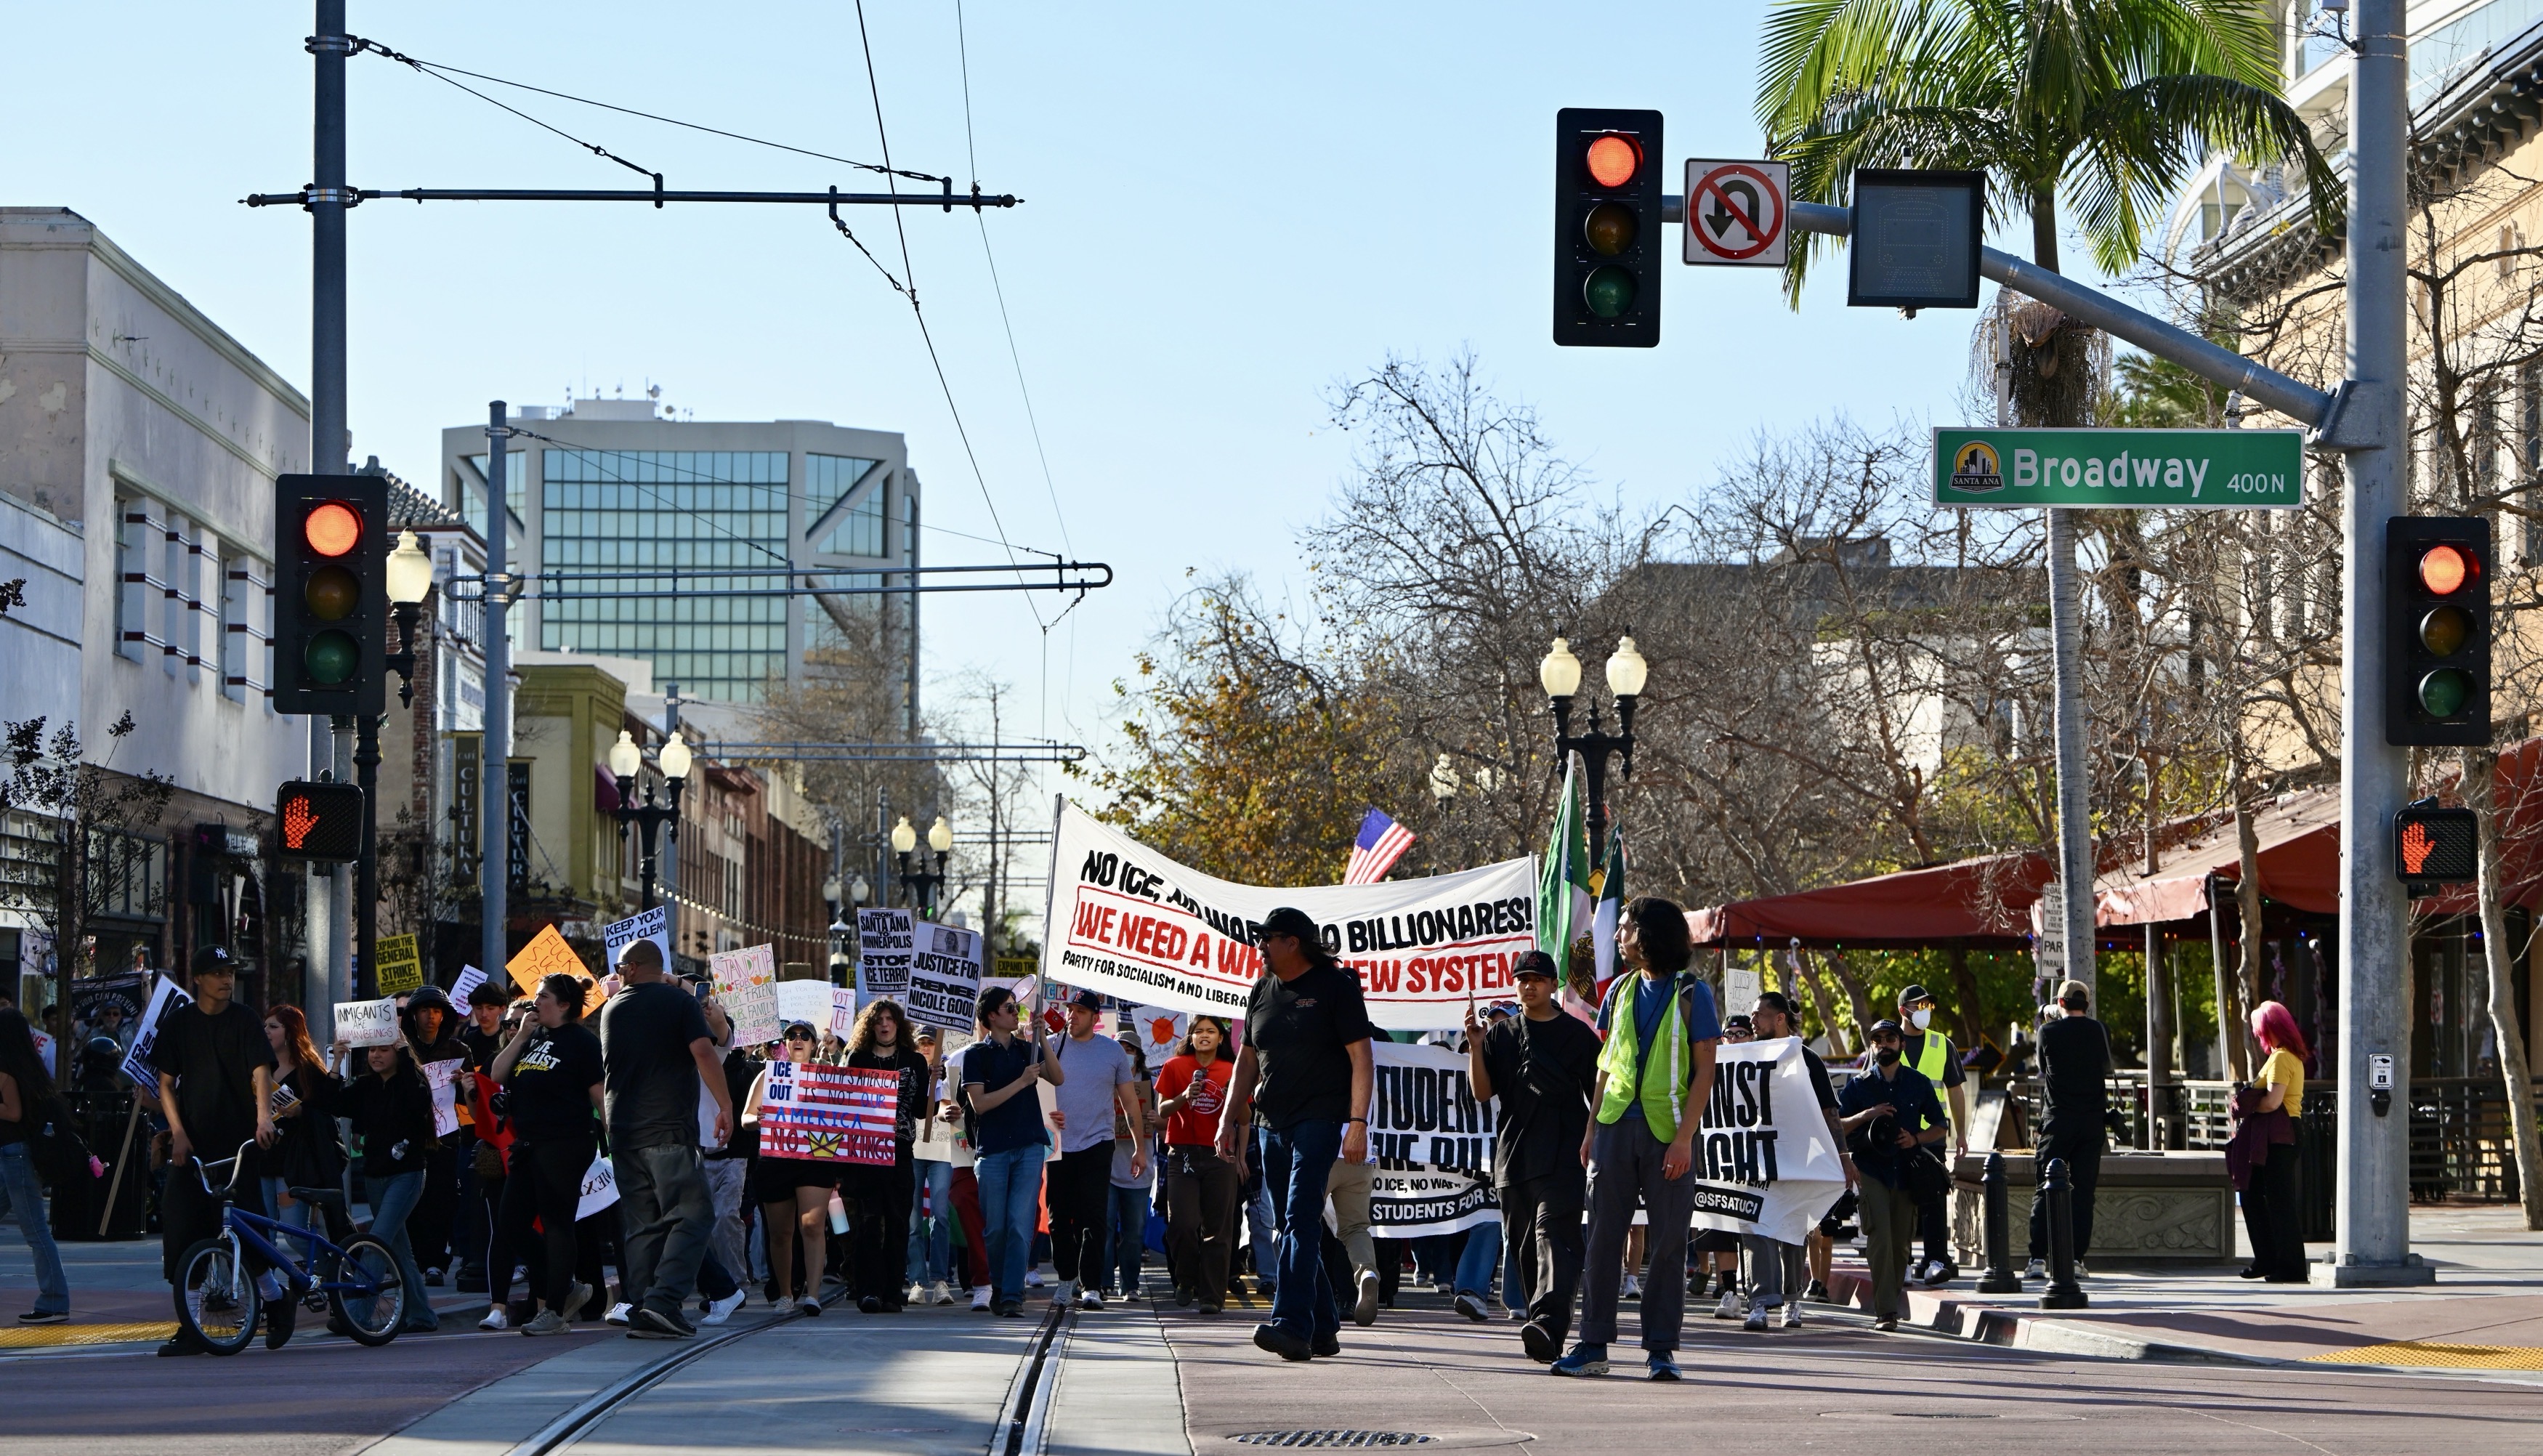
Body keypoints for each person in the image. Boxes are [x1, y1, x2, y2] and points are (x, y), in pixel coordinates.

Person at [1557, 897, 1721, 1381]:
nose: (1617, 936)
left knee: (1669, 1245)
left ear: (1649, 935)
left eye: (1625, 928)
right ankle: (1593, 1346)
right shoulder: (1620, 991)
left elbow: (1705, 1072)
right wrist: (1591, 1132)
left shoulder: (1694, 993)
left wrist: (1684, 1140)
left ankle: (1662, 1352)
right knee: (1603, 1239)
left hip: (1669, 1133)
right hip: (1613, 1128)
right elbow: (1607, 1067)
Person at [1216, 907, 1375, 1364]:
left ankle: (1292, 1324)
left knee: (1301, 1219)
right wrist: (1229, 1118)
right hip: (1270, 1124)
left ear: (1295, 942)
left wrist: (1357, 1123)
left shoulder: (1336, 987)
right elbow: (1247, 1061)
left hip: (1320, 1121)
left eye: (1269, 938)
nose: (1260, 946)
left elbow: (1362, 1059)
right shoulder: (1261, 989)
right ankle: (1324, 1327)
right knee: (1290, 1225)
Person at [598, 938, 734, 1340]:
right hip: (668, 1130)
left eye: (622, 966)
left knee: (643, 1225)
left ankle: (642, 1307)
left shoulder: (612, 1009)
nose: (617, 972)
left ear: (636, 967)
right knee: (693, 1216)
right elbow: (705, 1052)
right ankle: (663, 1303)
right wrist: (724, 1104)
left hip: (623, 1133)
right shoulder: (678, 1004)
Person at [1468, 949, 1599, 1362]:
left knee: (1554, 1237)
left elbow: (1599, 1089)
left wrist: (1592, 1134)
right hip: (1513, 1155)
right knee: (1522, 1245)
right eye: (1522, 978)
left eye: (1538, 979)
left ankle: (1546, 1323)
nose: (1530, 985)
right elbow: (1482, 1093)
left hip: (1564, 1152)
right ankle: (1545, 1331)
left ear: (1553, 984)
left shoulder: (1577, 1035)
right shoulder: (1501, 1035)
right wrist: (1475, 1047)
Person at [150, 945, 276, 1356]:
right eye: (218, 973)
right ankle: (191, 1327)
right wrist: (177, 1133)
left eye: (231, 973)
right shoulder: (179, 1024)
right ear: (199, 979)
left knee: (250, 1228)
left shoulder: (245, 1020)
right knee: (183, 1228)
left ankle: (275, 1300)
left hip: (239, 1142)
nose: (227, 980)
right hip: (193, 1146)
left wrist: (263, 1118)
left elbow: (261, 1071)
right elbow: (165, 1084)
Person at [483, 973, 603, 1335]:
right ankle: (564, 1284)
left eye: (543, 996)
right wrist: (521, 1034)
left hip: (567, 1142)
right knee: (511, 1224)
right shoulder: (533, 1036)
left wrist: (616, 1138)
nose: (535, 1002)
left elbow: (599, 1094)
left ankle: (553, 1310)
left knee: (556, 1222)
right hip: (530, 1144)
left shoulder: (582, 1042)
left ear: (564, 1005)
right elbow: (498, 1073)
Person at [1740, 992, 1853, 1330]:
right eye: (1752, 1014)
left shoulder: (1807, 1060)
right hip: (1756, 1157)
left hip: (1797, 1160)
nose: (1753, 1021)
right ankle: (1760, 1301)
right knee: (1754, 1225)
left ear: (1779, 1019)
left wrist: (1844, 1157)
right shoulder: (1745, 1056)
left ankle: (1792, 1301)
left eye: (1759, 1015)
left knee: (1792, 1230)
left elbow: (1829, 1113)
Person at [1835, 1019, 1946, 1331]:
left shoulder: (1918, 1082)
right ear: (1872, 1045)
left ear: (1901, 1044)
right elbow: (1838, 1126)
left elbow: (1940, 1126)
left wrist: (1916, 1138)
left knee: (1900, 1244)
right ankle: (1886, 1311)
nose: (1884, 1044)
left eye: (1890, 1039)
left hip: (1906, 1172)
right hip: (1870, 1169)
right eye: (1878, 1040)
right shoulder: (1860, 1086)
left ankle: (1890, 1300)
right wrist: (1867, 1115)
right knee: (1880, 1239)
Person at [963, 984, 1064, 1317]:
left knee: (1021, 1224)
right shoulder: (975, 1055)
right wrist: (1021, 1082)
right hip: (992, 1150)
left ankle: (1012, 1294)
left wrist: (1042, 1038)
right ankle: (997, 1284)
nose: (1015, 1012)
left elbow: (1058, 1077)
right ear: (992, 1016)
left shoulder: (1026, 1049)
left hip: (1029, 1146)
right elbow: (979, 1104)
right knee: (996, 1228)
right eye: (1009, 1008)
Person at [336, 1036, 442, 1335]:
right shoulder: (366, 1086)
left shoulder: (412, 1082)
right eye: (372, 1049)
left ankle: (356, 1314)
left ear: (398, 1052)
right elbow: (330, 1101)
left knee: (377, 1242)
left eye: (384, 1049)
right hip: (374, 1176)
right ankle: (422, 1315)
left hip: (406, 1175)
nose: (376, 1055)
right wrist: (336, 1062)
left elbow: (417, 1101)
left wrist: (406, 1053)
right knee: (399, 1249)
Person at [1045, 990, 1142, 1310]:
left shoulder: (1112, 1051)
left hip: (1098, 1143)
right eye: (1070, 1010)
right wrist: (1046, 1114)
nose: (1073, 1016)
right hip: (1059, 1144)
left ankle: (1091, 1285)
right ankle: (1065, 1279)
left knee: (1094, 1217)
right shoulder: (1052, 1043)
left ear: (1095, 1017)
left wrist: (1140, 1148)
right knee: (1060, 1218)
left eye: (1081, 1011)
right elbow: (1032, 1089)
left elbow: (1130, 1103)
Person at [256, 1005, 345, 1346]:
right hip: (262, 1160)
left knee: (293, 1235)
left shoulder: (306, 1069)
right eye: (264, 1026)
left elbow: (326, 1105)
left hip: (291, 1164)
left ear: (290, 1032)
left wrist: (298, 1111)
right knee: (261, 1238)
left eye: (273, 1026)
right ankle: (274, 1299)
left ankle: (329, 1273)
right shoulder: (259, 1068)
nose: (267, 1032)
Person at [743, 1023, 839, 1315]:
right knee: (780, 1232)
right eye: (792, 1036)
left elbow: (843, 1116)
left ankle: (812, 1294)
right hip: (776, 1159)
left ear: (813, 1045)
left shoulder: (827, 1078)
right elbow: (746, 1117)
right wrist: (759, 1119)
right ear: (785, 1043)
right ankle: (785, 1293)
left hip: (816, 1158)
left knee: (811, 1225)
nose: (798, 1041)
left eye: (805, 1036)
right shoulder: (768, 1076)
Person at [843, 999, 930, 1313]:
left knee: (897, 1223)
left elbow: (921, 1110)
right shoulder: (858, 1058)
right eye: (878, 1019)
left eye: (890, 1019)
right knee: (868, 1223)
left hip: (901, 1152)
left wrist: (932, 1085)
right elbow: (843, 1103)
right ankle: (869, 1290)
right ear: (870, 1025)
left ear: (898, 1024)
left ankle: (893, 1291)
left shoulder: (915, 1061)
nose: (884, 1024)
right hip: (866, 1154)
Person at [2028, 979, 2112, 1279]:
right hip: (2091, 1123)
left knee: (2045, 1187)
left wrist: (2051, 1021)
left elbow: (2042, 1064)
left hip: (2058, 1120)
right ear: (2086, 1004)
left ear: (2060, 1003)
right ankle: (2076, 1260)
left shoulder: (2047, 1032)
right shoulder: (2101, 1031)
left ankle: (2038, 1258)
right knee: (2084, 1192)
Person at [1155, 1014, 1240, 1313]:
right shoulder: (1174, 1067)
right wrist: (1183, 1096)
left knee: (1218, 1230)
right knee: (1182, 1223)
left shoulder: (1232, 1071)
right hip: (1182, 1155)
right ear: (1190, 1038)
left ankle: (1212, 1298)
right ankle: (1186, 1279)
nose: (1205, 1036)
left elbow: (1246, 1119)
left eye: (1211, 1031)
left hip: (1220, 1156)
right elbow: (1162, 1110)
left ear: (1220, 1039)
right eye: (1199, 1031)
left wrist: (1240, 1159)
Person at [0, 1008, 71, 1324]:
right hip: (13, 1155)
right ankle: (54, 1298)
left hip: (13, 1156)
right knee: (35, 1230)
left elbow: (12, 1112)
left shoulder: (5, 1069)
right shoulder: (27, 1065)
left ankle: (54, 1300)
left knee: (35, 1230)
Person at [1893, 983, 1968, 1285]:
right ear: (1903, 1011)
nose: (1924, 1011)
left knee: (1934, 1200)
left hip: (1932, 1138)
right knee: (1900, 1202)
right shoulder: (1887, 1041)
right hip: (1896, 1139)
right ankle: (1903, 1261)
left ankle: (1936, 1259)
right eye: (1918, 1005)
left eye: (1928, 1006)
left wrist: (1961, 1134)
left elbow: (1955, 1092)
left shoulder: (1942, 1044)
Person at [2241, 1000, 2312, 1283]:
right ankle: (2269, 1259)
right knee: (2255, 1194)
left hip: (2281, 1134)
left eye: (2260, 1031)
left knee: (2278, 1200)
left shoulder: (2282, 1058)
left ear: (2270, 1029)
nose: (2259, 1037)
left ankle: (2290, 1267)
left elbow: (2272, 1102)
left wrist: (2246, 1107)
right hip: (2278, 1135)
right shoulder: (2283, 1057)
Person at [454, 979, 514, 1294]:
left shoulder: (509, 1041)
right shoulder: (467, 1041)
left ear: (502, 1010)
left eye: (491, 1008)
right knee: (471, 1198)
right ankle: (474, 1256)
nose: (485, 1014)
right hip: (472, 1131)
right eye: (479, 1008)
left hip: (508, 1133)